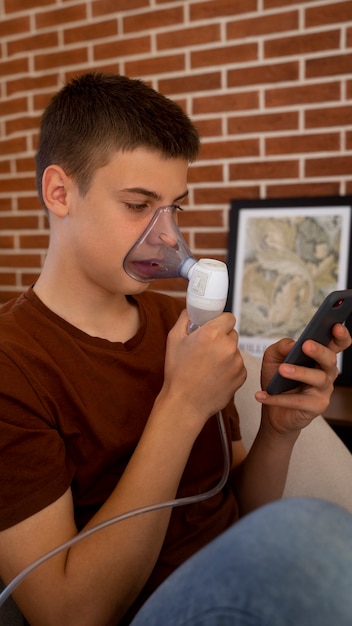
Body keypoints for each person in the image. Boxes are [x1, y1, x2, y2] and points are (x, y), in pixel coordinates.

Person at [0, 72, 351, 626]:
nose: (167, 237)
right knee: (306, 531)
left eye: (175, 208)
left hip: (238, 593)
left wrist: (279, 431)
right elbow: (67, 613)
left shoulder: (182, 322)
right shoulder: (14, 363)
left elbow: (238, 518)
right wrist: (181, 405)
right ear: (59, 193)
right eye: (139, 205)